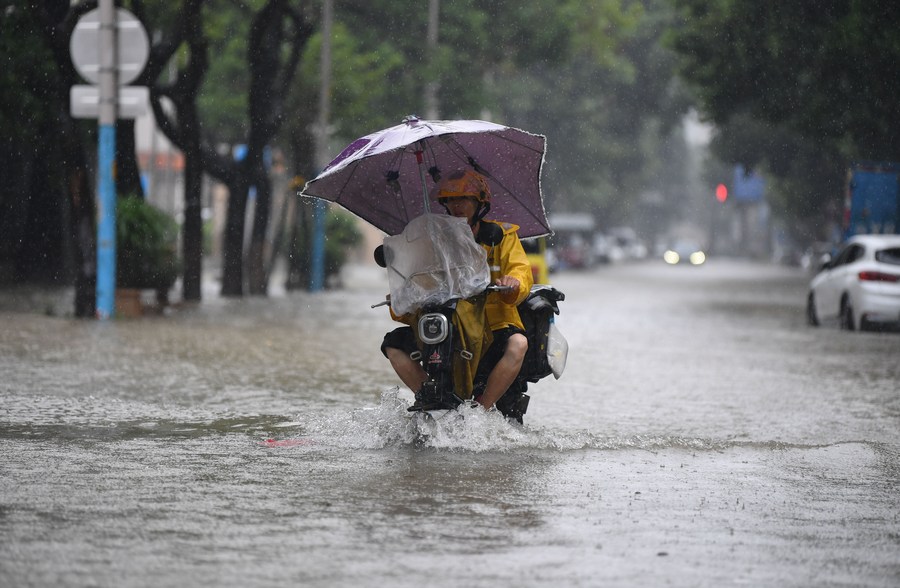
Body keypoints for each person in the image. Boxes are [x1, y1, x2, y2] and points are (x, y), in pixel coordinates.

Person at [380, 169, 534, 414]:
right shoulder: (432, 240)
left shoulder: (502, 236)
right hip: (445, 320)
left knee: (518, 344)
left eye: (463, 199)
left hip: (491, 326)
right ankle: (427, 394)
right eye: (451, 200)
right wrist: (402, 296)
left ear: (479, 202)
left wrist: (513, 281)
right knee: (393, 345)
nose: (457, 205)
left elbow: (521, 271)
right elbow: (416, 278)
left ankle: (480, 411)